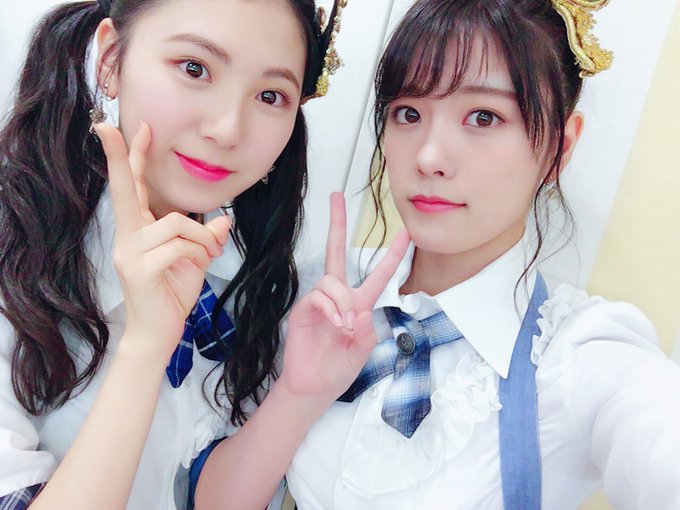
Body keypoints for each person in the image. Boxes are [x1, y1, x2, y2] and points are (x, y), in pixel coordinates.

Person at [196, 0, 680, 509]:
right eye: (408, 113)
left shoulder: (578, 354)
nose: (428, 157)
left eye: (484, 117)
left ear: (559, 147)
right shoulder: (325, 296)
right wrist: (298, 397)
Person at [0, 0, 347, 508]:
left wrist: (300, 396)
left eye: (270, 95)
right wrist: (146, 344)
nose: (227, 129)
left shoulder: (251, 283)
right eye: (194, 68)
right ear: (111, 58)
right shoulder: (14, 256)